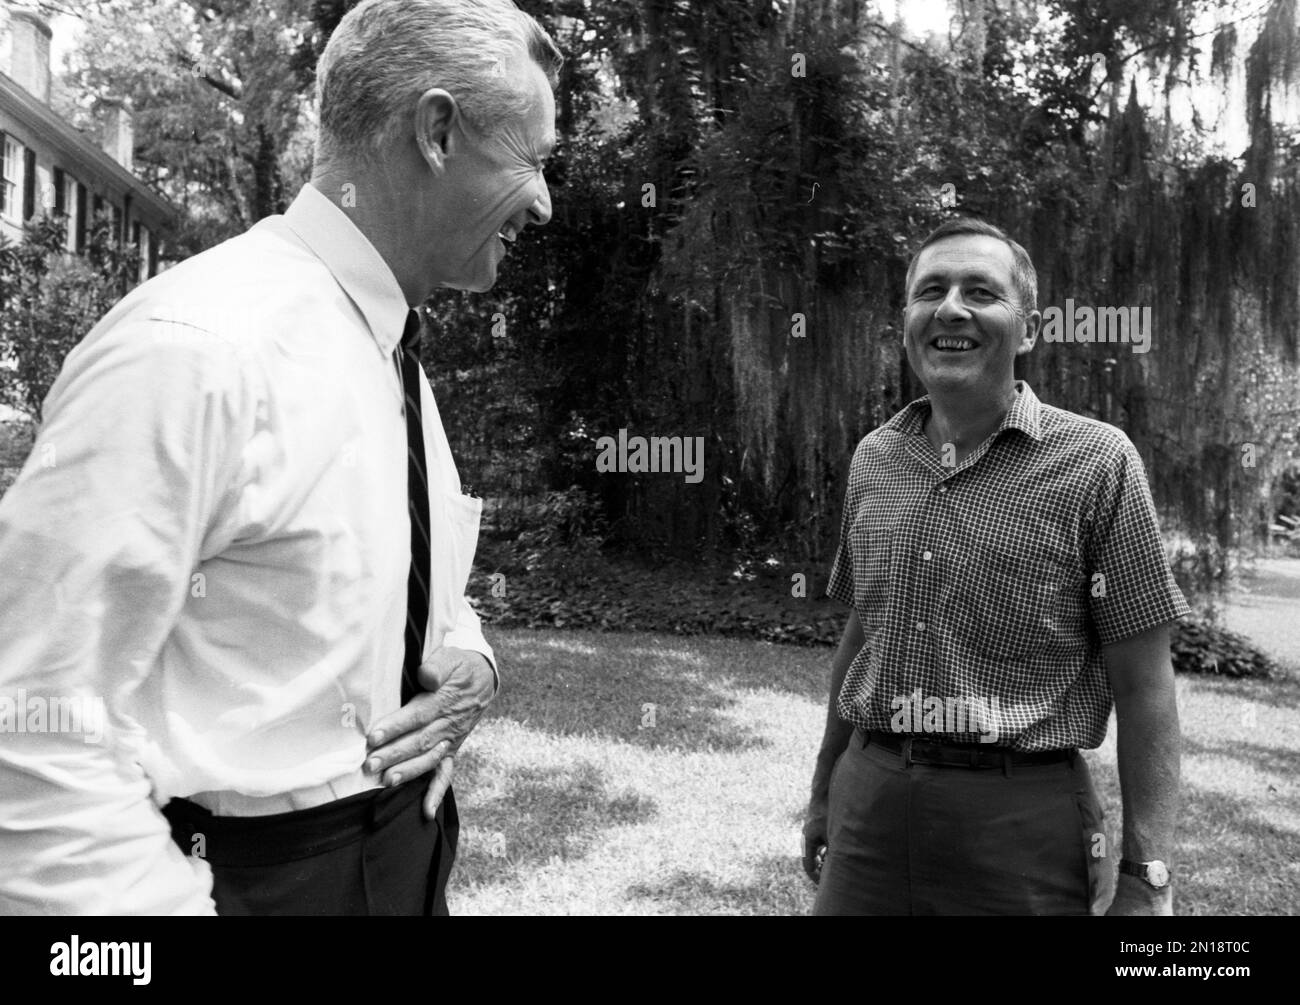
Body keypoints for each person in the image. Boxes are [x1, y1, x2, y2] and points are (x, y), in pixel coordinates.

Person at [0, 0, 560, 915]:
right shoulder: (196, 349)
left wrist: (471, 663)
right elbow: (25, 729)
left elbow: (408, 588)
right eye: (532, 157)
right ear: (438, 131)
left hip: (404, 857)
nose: (543, 199)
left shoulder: (387, 349)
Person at [802, 218, 1188, 916]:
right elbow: (863, 632)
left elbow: (1146, 684)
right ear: (909, 321)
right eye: (932, 291)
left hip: (1021, 829)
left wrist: (1147, 870)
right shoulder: (875, 459)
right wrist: (825, 785)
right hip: (870, 811)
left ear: (1029, 328)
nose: (951, 308)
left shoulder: (1098, 463)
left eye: (981, 291)